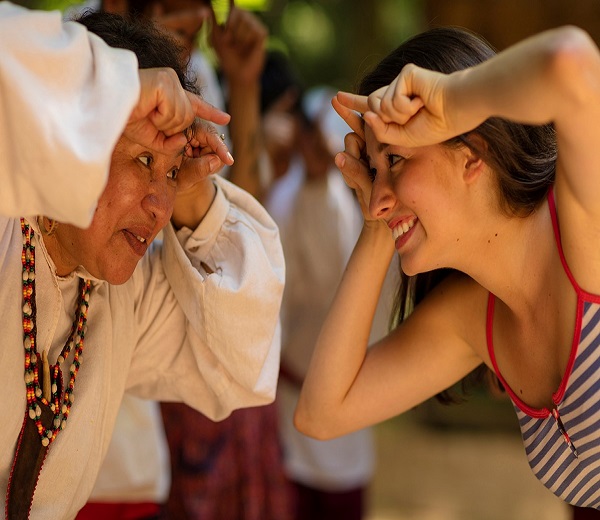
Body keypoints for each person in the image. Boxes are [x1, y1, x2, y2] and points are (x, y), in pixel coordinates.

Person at [296, 24, 600, 510]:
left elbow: (573, 63)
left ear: (472, 153)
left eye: (396, 159)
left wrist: (452, 100)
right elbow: (322, 413)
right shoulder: (475, 317)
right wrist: (378, 220)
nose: (377, 196)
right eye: (374, 170)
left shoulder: (582, 228)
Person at [1, 5, 283, 519]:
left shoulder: (119, 297)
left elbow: (241, 357)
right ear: (78, 135)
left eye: (172, 174)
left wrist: (194, 196)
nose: (159, 207)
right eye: (144, 160)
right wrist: (115, 90)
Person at [264, 85, 376, 520]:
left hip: (348, 408)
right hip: (289, 407)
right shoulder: (283, 196)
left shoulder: (354, 204)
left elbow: (339, 282)